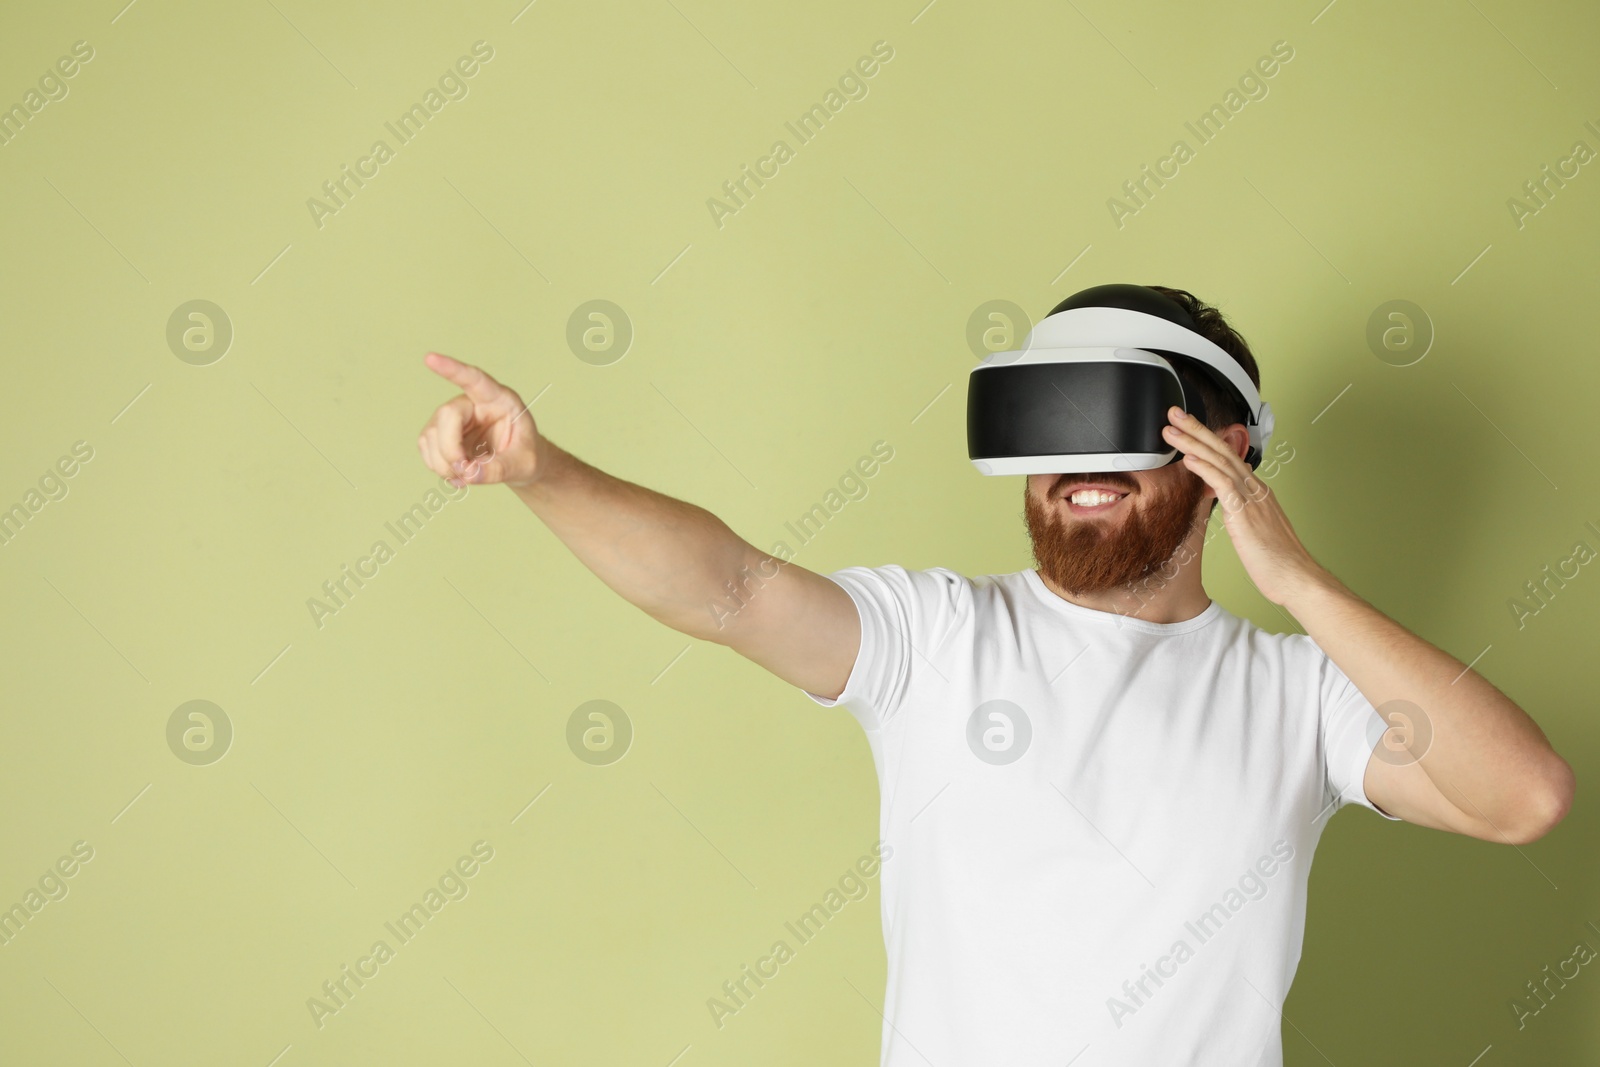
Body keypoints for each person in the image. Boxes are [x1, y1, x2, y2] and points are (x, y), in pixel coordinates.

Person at [414, 286, 1574, 1066]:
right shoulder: (937, 636)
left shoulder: (1298, 693)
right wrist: (542, 470)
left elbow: (1523, 797)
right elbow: (728, 587)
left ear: (1228, 451)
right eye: (1048, 427)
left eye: (1118, 423)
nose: (1077, 463)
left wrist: (1303, 584)